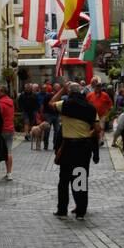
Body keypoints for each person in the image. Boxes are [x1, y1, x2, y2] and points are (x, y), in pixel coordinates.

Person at [49, 82, 99, 220]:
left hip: (68, 147)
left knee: (64, 180)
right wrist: (86, 135)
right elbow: (97, 129)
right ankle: (81, 211)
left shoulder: (65, 105)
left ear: (69, 92)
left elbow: (50, 103)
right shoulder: (91, 108)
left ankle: (62, 210)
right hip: (83, 148)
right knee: (80, 179)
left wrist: (61, 90)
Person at [0, 85, 16, 182]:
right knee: (8, 152)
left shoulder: (0, 103)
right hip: (10, 129)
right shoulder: (11, 102)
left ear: (2, 92)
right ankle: (9, 173)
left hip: (2, 130)